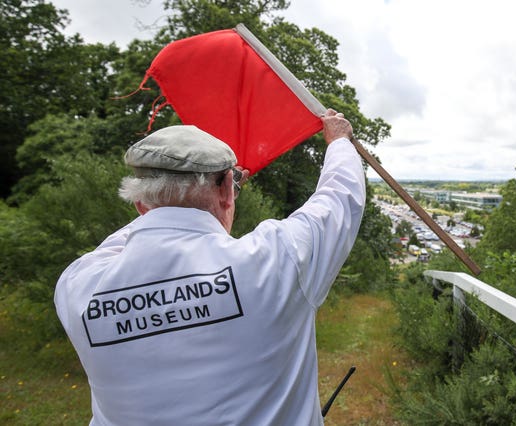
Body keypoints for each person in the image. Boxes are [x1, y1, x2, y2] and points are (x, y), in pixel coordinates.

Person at [54, 109, 366, 426]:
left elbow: (139, 232)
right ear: (227, 191)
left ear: (139, 205)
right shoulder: (274, 260)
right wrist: (339, 140)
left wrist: (210, 192)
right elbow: (339, 198)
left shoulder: (78, 285)